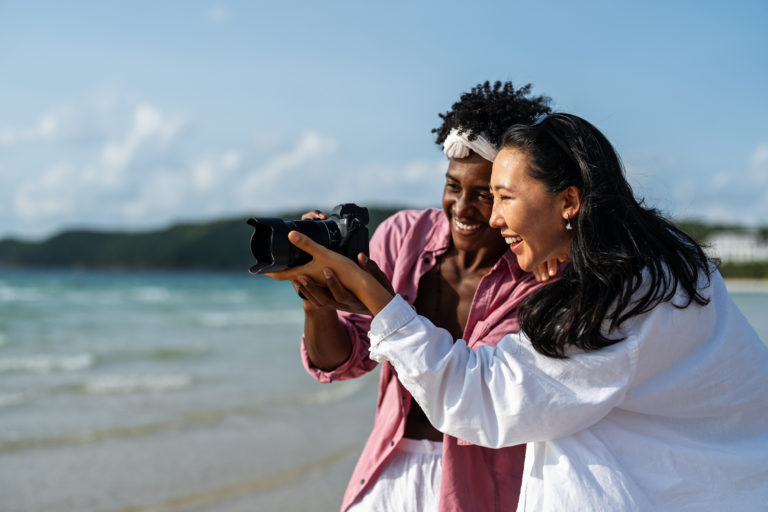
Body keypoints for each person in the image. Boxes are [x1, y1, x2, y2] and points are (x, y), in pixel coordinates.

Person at [270, 113, 768, 511]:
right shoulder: (669, 267)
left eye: (501, 195)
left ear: (568, 200)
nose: (491, 216)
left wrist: (378, 299)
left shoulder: (614, 297)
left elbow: (482, 398)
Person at [290, 81, 556, 511]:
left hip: (484, 485)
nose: (462, 207)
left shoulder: (535, 271)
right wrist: (315, 302)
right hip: (389, 467)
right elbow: (343, 362)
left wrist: (381, 303)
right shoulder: (403, 238)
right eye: (453, 186)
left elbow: (487, 391)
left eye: (485, 194)